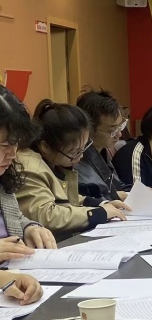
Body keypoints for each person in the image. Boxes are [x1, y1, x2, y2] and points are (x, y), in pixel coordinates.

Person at [16, 100, 129, 239]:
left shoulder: (54, 161)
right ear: (45, 147)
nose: (80, 156)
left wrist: (101, 204)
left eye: (84, 148)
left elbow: (65, 198)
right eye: (74, 151)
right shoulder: (29, 167)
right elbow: (45, 214)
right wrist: (97, 213)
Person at [0, 85, 58, 253]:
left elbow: (14, 219)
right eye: (5, 145)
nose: (13, 154)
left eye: (16, 143)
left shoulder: (3, 178)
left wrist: (29, 228)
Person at [75, 89, 131, 201]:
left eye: (120, 126)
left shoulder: (102, 150)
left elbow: (117, 186)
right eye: (112, 130)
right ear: (89, 129)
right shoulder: (77, 159)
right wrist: (115, 196)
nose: (119, 134)